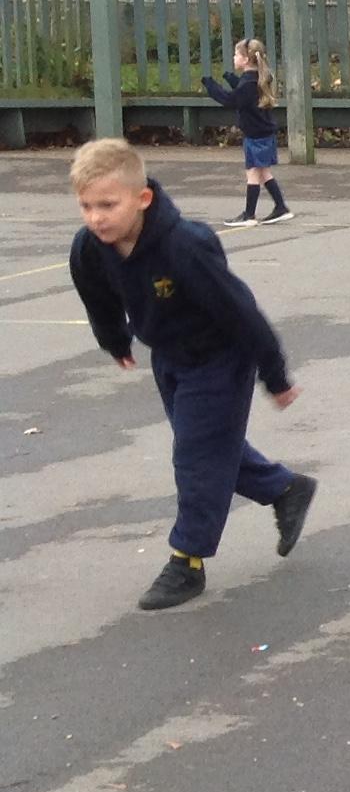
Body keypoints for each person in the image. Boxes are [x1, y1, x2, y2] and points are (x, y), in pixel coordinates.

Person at [66, 138, 317, 611]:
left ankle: (187, 560)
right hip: (170, 357)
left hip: (220, 356)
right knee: (207, 445)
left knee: (197, 456)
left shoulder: (185, 246)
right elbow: (96, 297)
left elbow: (240, 311)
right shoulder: (89, 248)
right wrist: (114, 340)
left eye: (108, 205)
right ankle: (284, 488)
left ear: (142, 198)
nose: (96, 217)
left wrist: (275, 375)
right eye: (86, 206)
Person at [202, 38, 289, 227]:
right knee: (264, 172)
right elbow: (243, 94)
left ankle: (249, 215)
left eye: (236, 54)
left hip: (256, 135)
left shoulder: (249, 84)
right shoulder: (255, 78)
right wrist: (230, 78)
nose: (234, 58)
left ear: (246, 59)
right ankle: (281, 207)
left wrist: (211, 86)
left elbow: (231, 100)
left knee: (253, 173)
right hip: (263, 133)